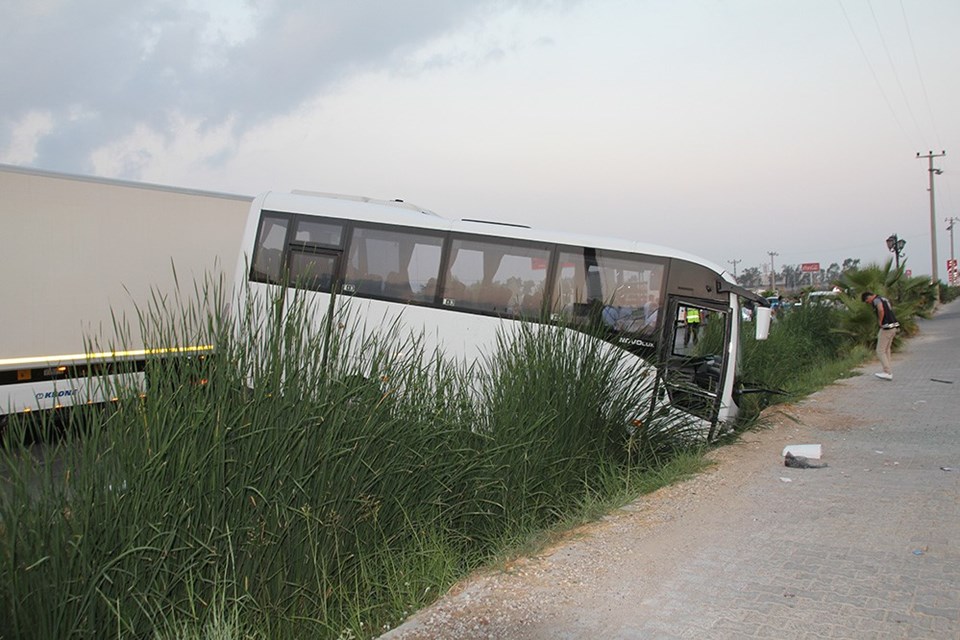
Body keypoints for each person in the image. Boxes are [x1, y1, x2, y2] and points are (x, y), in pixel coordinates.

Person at [861, 291, 900, 380]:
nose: (869, 303)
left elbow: (881, 309)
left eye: (868, 301)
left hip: (886, 327)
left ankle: (887, 372)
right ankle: (888, 370)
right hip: (893, 326)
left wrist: (880, 321)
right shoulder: (884, 299)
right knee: (887, 349)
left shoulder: (876, 300)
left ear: (869, 297)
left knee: (880, 350)